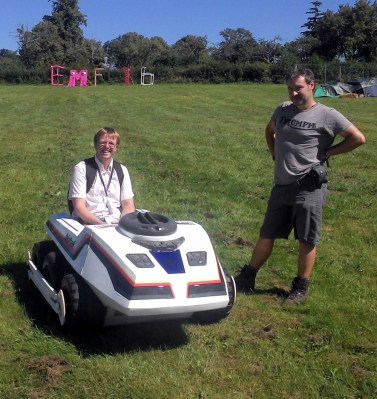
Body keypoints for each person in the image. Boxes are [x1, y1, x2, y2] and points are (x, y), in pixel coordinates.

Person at [235, 68, 366, 305]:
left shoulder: (328, 114)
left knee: (307, 239)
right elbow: (269, 130)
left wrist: (328, 152)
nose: (294, 93)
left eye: (298, 88)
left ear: (312, 85)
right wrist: (274, 153)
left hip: (308, 186)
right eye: (290, 88)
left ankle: (300, 287)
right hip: (281, 185)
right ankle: (247, 277)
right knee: (267, 234)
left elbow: (358, 138)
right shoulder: (283, 110)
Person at [68, 127, 136, 225]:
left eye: (111, 143)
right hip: (89, 223)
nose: (107, 146)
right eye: (103, 142)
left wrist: (122, 222)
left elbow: (128, 204)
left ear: (116, 147)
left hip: (117, 223)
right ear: (95, 144)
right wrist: (102, 225)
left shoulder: (122, 170)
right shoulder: (82, 168)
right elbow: (79, 207)